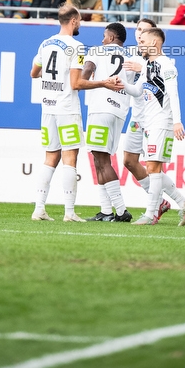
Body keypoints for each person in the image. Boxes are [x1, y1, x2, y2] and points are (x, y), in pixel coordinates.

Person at [121, 27, 185, 225]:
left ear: (155, 42)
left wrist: (177, 121)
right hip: (149, 122)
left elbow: (173, 94)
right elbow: (137, 91)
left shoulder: (166, 65)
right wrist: (121, 85)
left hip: (163, 122)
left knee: (153, 167)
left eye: (143, 42)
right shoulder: (147, 64)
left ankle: (150, 214)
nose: (140, 45)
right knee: (154, 168)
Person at [30, 4, 96, 221]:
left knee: (50, 157)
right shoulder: (76, 46)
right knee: (69, 157)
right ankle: (69, 212)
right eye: (80, 20)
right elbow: (76, 83)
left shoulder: (45, 43)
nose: (81, 24)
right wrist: (103, 83)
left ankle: (39, 209)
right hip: (67, 107)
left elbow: (33, 72)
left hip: (47, 107)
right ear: (74, 21)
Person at [81, 24, 135, 222]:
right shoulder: (131, 57)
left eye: (104, 36)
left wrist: (82, 80)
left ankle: (121, 211)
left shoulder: (96, 51)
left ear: (112, 37)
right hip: (120, 111)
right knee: (100, 158)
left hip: (100, 108)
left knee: (102, 160)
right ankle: (105, 211)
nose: (102, 39)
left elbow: (84, 75)